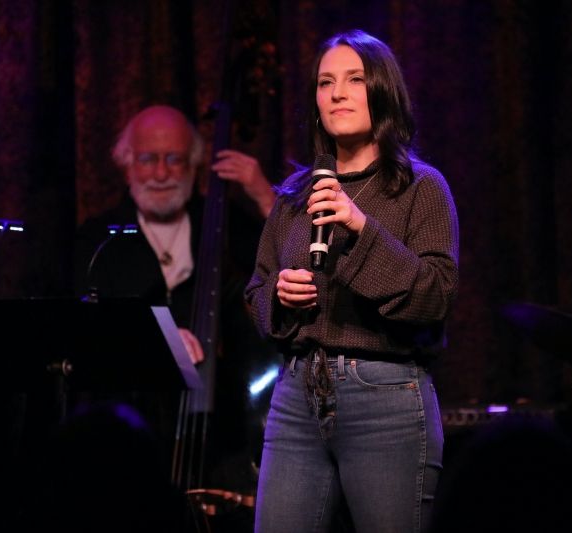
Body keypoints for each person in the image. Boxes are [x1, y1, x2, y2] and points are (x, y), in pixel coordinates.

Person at [244, 29, 459, 533]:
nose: (336, 93)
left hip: (385, 397)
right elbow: (254, 291)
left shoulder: (420, 187)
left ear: (382, 90)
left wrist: (361, 229)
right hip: (297, 395)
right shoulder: (297, 195)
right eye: (324, 82)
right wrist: (278, 295)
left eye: (354, 79)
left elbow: (435, 297)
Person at [72, 104, 278, 512]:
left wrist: (265, 197)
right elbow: (83, 331)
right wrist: (156, 337)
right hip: (126, 445)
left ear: (196, 164)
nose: (162, 173)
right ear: (126, 163)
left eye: (175, 159)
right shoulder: (97, 240)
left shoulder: (227, 224)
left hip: (223, 440)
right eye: (148, 159)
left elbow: (289, 267)